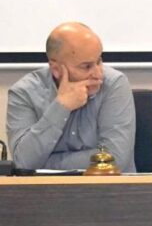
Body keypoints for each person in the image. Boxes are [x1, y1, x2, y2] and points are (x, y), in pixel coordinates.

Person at [6, 22, 136, 172]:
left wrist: (44, 165)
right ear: (56, 69)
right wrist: (61, 107)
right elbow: (23, 162)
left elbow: (115, 160)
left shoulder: (114, 84)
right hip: (46, 187)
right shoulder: (23, 93)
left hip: (109, 186)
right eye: (86, 67)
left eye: (99, 61)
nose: (98, 74)